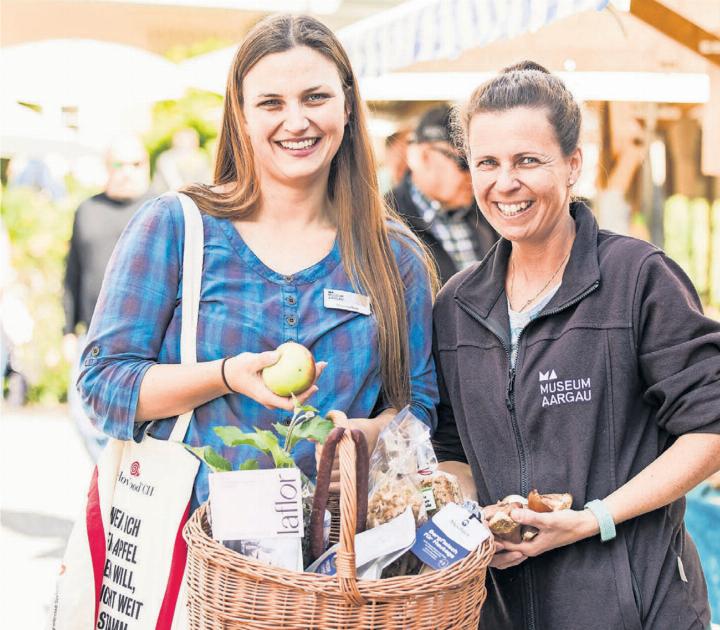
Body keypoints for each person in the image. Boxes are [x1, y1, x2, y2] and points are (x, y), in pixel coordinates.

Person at [77, 14, 438, 510]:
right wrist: (224, 375)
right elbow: (102, 386)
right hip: (187, 558)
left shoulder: (394, 258)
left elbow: (418, 408)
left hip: (332, 564)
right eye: (271, 103)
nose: (296, 121)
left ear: (348, 106)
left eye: (316, 97)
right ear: (242, 116)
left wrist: (367, 434)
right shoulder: (179, 228)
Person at [432, 61, 720, 629]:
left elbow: (710, 428)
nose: (504, 182)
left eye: (527, 161)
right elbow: (451, 450)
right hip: (504, 609)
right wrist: (478, 513)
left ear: (572, 165)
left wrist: (594, 519)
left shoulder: (637, 278)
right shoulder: (457, 305)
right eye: (486, 162)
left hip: (638, 607)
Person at [63, 135, 152, 459]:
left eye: (136, 163)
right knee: (83, 416)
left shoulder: (161, 208)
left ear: (147, 166)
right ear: (106, 167)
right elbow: (72, 271)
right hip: (93, 335)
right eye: (119, 164)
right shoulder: (88, 210)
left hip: (147, 336)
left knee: (136, 420)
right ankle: (105, 480)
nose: (127, 171)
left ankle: (122, 488)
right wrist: (67, 329)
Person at [386, 104, 497, 285]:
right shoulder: (383, 221)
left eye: (483, 162)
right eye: (463, 162)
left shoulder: (489, 213)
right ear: (423, 156)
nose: (473, 174)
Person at [151, 127, 212, 192]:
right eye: (183, 141)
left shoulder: (200, 158)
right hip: (164, 197)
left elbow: (207, 182)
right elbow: (175, 185)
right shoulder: (166, 158)